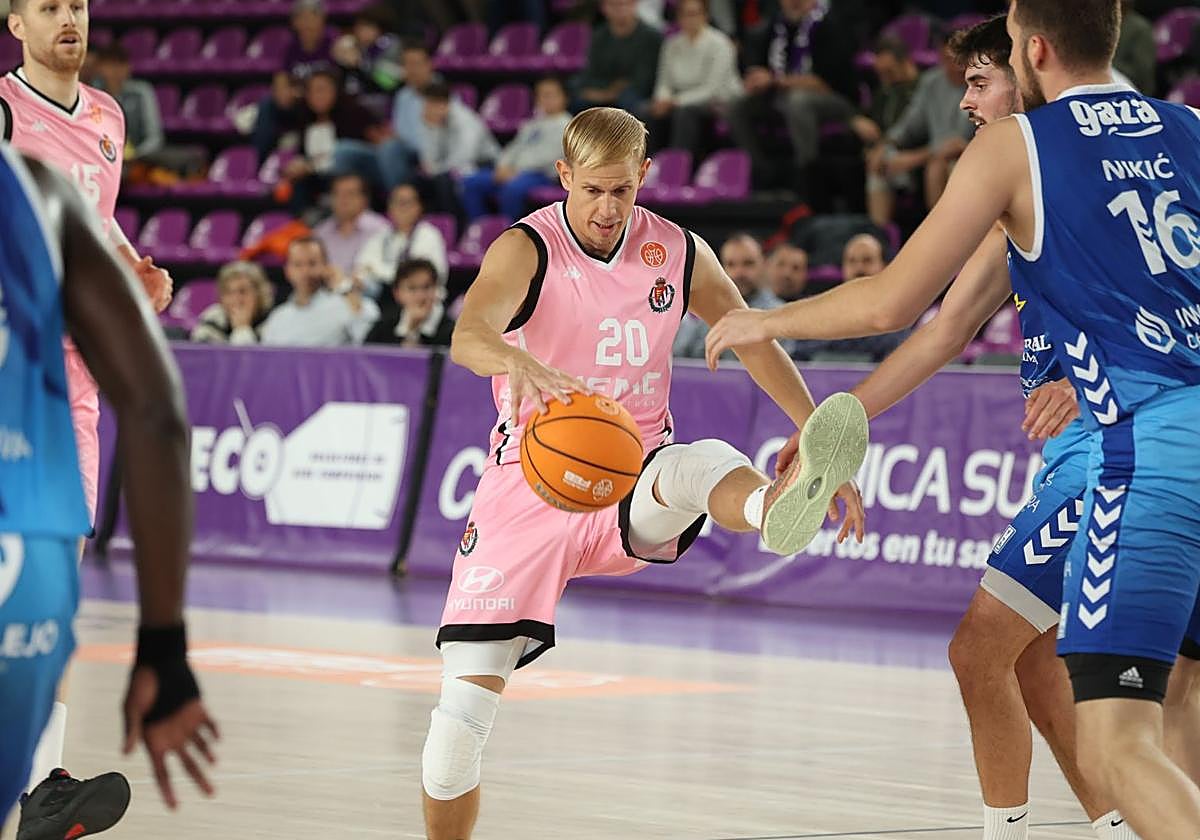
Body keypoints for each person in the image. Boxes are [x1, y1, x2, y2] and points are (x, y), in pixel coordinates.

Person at [705, 3, 1200, 836]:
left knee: (1100, 724)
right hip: (1150, 433)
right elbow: (945, 330)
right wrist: (841, 413)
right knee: (1106, 687)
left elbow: (899, 300)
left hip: (1131, 454)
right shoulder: (1183, 126)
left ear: (1033, 56)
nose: (966, 102)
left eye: (985, 73)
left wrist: (767, 320)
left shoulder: (1025, 154)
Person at [419, 106, 870, 840]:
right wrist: (521, 362)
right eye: (592, 190)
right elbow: (467, 335)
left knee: (691, 467)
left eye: (622, 191)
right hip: (528, 484)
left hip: (631, 464)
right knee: (455, 733)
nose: (607, 207)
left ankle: (776, 506)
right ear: (564, 176)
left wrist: (813, 430)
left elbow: (749, 336)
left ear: (644, 179)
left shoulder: (677, 249)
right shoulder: (527, 246)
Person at [0, 146, 218, 838]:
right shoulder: (40, 193)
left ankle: (45, 791)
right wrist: (163, 641)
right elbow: (157, 413)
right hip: (25, 545)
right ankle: (41, 793)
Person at [1, 0, 173, 820]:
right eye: (49, 6)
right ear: (16, 23)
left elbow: (97, 224)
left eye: (77, 4)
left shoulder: (105, 114)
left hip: (78, 374)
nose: (68, 17)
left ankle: (42, 785)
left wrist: (133, 269)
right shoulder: (3, 111)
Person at [724, 0, 858, 193]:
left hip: (836, 101)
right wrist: (756, 79)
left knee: (798, 102)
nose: (794, 2)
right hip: (781, 98)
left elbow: (823, 83)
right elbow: (764, 69)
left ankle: (808, 180)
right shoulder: (775, 27)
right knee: (737, 106)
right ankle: (762, 172)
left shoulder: (829, 25)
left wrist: (775, 80)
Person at [460, 76, 573, 222]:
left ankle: (509, 234)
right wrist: (503, 166)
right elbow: (513, 147)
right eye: (541, 95)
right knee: (471, 182)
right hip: (513, 172)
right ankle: (483, 228)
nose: (545, 99)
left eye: (550, 95)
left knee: (512, 189)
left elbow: (548, 157)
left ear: (564, 97)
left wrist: (514, 170)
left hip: (542, 176)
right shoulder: (533, 123)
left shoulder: (567, 125)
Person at [646, 0, 741, 159]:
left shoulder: (720, 43)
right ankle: (650, 166)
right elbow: (664, 81)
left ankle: (677, 166)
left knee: (684, 113)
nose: (690, 19)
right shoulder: (672, 44)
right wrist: (662, 100)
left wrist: (675, 102)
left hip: (719, 102)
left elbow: (713, 90)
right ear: (678, 17)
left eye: (695, 14)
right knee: (646, 111)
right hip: (681, 100)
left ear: (705, 16)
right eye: (685, 14)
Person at [673, 232, 788, 359]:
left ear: (764, 264)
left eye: (748, 263)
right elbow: (682, 359)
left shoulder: (781, 315)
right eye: (731, 264)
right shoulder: (707, 311)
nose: (739, 272)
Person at [260, 236, 380, 346]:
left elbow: (367, 338)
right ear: (287, 271)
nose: (305, 271)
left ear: (326, 266)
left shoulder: (346, 304)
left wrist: (345, 288)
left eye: (312, 264)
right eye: (298, 264)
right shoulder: (278, 317)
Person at [569, 0, 663, 114]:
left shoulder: (651, 36)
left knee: (629, 100)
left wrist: (611, 92)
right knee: (574, 95)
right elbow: (591, 72)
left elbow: (644, 79)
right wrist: (600, 92)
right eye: (613, 5)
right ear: (603, 8)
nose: (620, 9)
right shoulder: (599, 36)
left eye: (625, 4)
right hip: (603, 89)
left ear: (634, 5)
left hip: (636, 93)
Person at [355, 182, 449, 295]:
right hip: (386, 297)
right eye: (397, 202)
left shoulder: (428, 234)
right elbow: (361, 268)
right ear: (389, 207)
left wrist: (376, 269)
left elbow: (417, 276)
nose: (402, 207)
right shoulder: (381, 235)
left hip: (422, 299)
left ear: (419, 207)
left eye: (407, 202)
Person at [312, 172, 390, 275]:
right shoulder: (320, 232)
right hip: (327, 287)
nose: (343, 199)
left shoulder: (380, 229)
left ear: (365, 199)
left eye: (350, 193)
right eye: (337, 194)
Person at [363, 258, 454, 346]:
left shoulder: (452, 331)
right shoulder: (383, 326)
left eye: (426, 287)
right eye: (412, 288)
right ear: (397, 293)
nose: (420, 296)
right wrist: (411, 329)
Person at [190, 261, 276, 345]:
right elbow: (201, 356)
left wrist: (242, 328)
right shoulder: (213, 318)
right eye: (228, 292)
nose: (236, 299)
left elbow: (252, 358)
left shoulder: (273, 321)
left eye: (243, 291)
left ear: (259, 294)